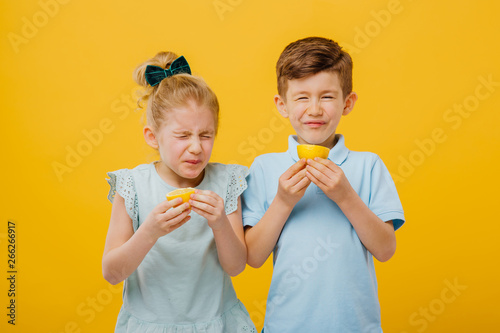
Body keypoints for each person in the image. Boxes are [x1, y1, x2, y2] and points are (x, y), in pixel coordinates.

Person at [242, 37, 405, 332]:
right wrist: (283, 202)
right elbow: (252, 257)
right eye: (302, 97)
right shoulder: (264, 168)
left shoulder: (368, 166)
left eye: (327, 97)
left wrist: (345, 197)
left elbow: (385, 249)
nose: (314, 109)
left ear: (348, 103)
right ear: (282, 104)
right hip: (286, 326)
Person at [102, 51, 257, 333]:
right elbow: (112, 273)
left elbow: (236, 267)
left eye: (206, 135)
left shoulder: (226, 181)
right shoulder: (133, 186)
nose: (196, 147)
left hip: (217, 324)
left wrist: (220, 222)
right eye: (183, 135)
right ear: (153, 137)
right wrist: (149, 231)